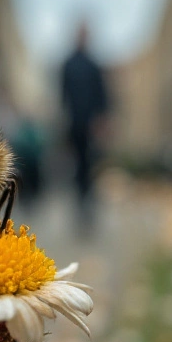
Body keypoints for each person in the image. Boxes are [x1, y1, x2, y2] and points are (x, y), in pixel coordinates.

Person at [59, 21, 109, 236]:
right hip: (75, 123)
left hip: (90, 124)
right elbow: (63, 95)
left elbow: (102, 94)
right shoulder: (68, 64)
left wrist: (101, 120)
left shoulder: (93, 65)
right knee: (79, 165)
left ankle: (88, 205)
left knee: (90, 165)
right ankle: (81, 205)